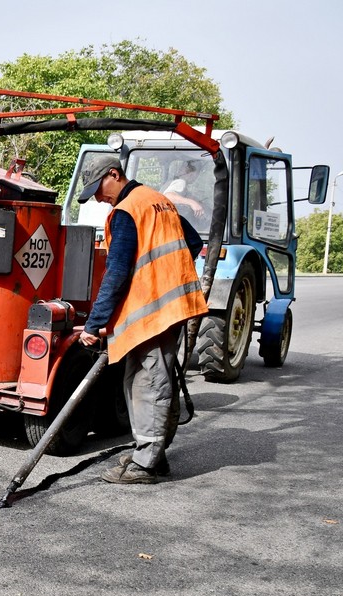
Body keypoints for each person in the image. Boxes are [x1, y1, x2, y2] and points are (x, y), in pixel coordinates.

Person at [76, 154, 208, 484]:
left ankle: (147, 462)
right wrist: (168, 276)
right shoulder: (157, 200)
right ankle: (150, 452)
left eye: (98, 188)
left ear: (114, 174)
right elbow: (192, 242)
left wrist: (94, 324)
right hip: (165, 306)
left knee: (150, 382)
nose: (98, 197)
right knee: (138, 379)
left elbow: (117, 271)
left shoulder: (127, 210)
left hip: (154, 309)